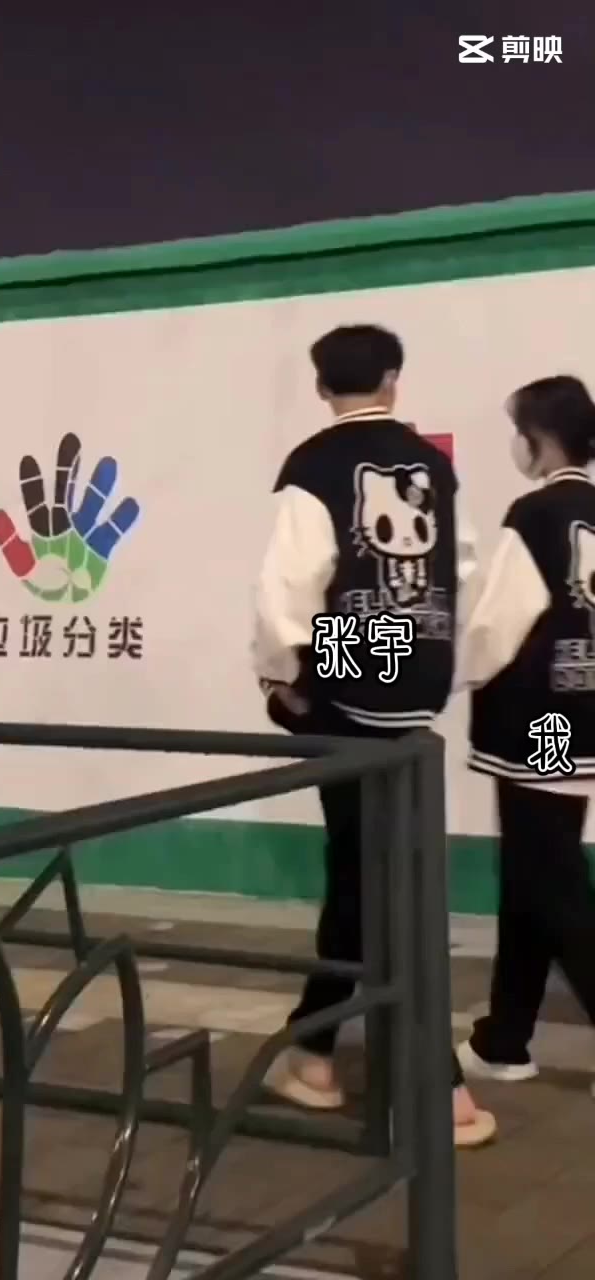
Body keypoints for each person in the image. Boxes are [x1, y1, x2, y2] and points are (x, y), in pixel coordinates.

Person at [252, 323, 496, 1148]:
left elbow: (289, 589)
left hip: (347, 675)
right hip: (415, 672)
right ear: (393, 379)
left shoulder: (313, 465)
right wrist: (441, 668)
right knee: (374, 871)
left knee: (371, 877)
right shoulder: (433, 466)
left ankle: (423, 1081)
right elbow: (461, 577)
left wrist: (282, 677)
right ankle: (317, 1050)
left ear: (323, 387)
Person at [456, 375, 595, 1085]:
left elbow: (494, 627)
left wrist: (446, 674)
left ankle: (506, 1037)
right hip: (584, 714)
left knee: (552, 882)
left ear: (539, 438)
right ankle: (503, 1038)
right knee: (532, 874)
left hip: (542, 720)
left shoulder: (536, 514)